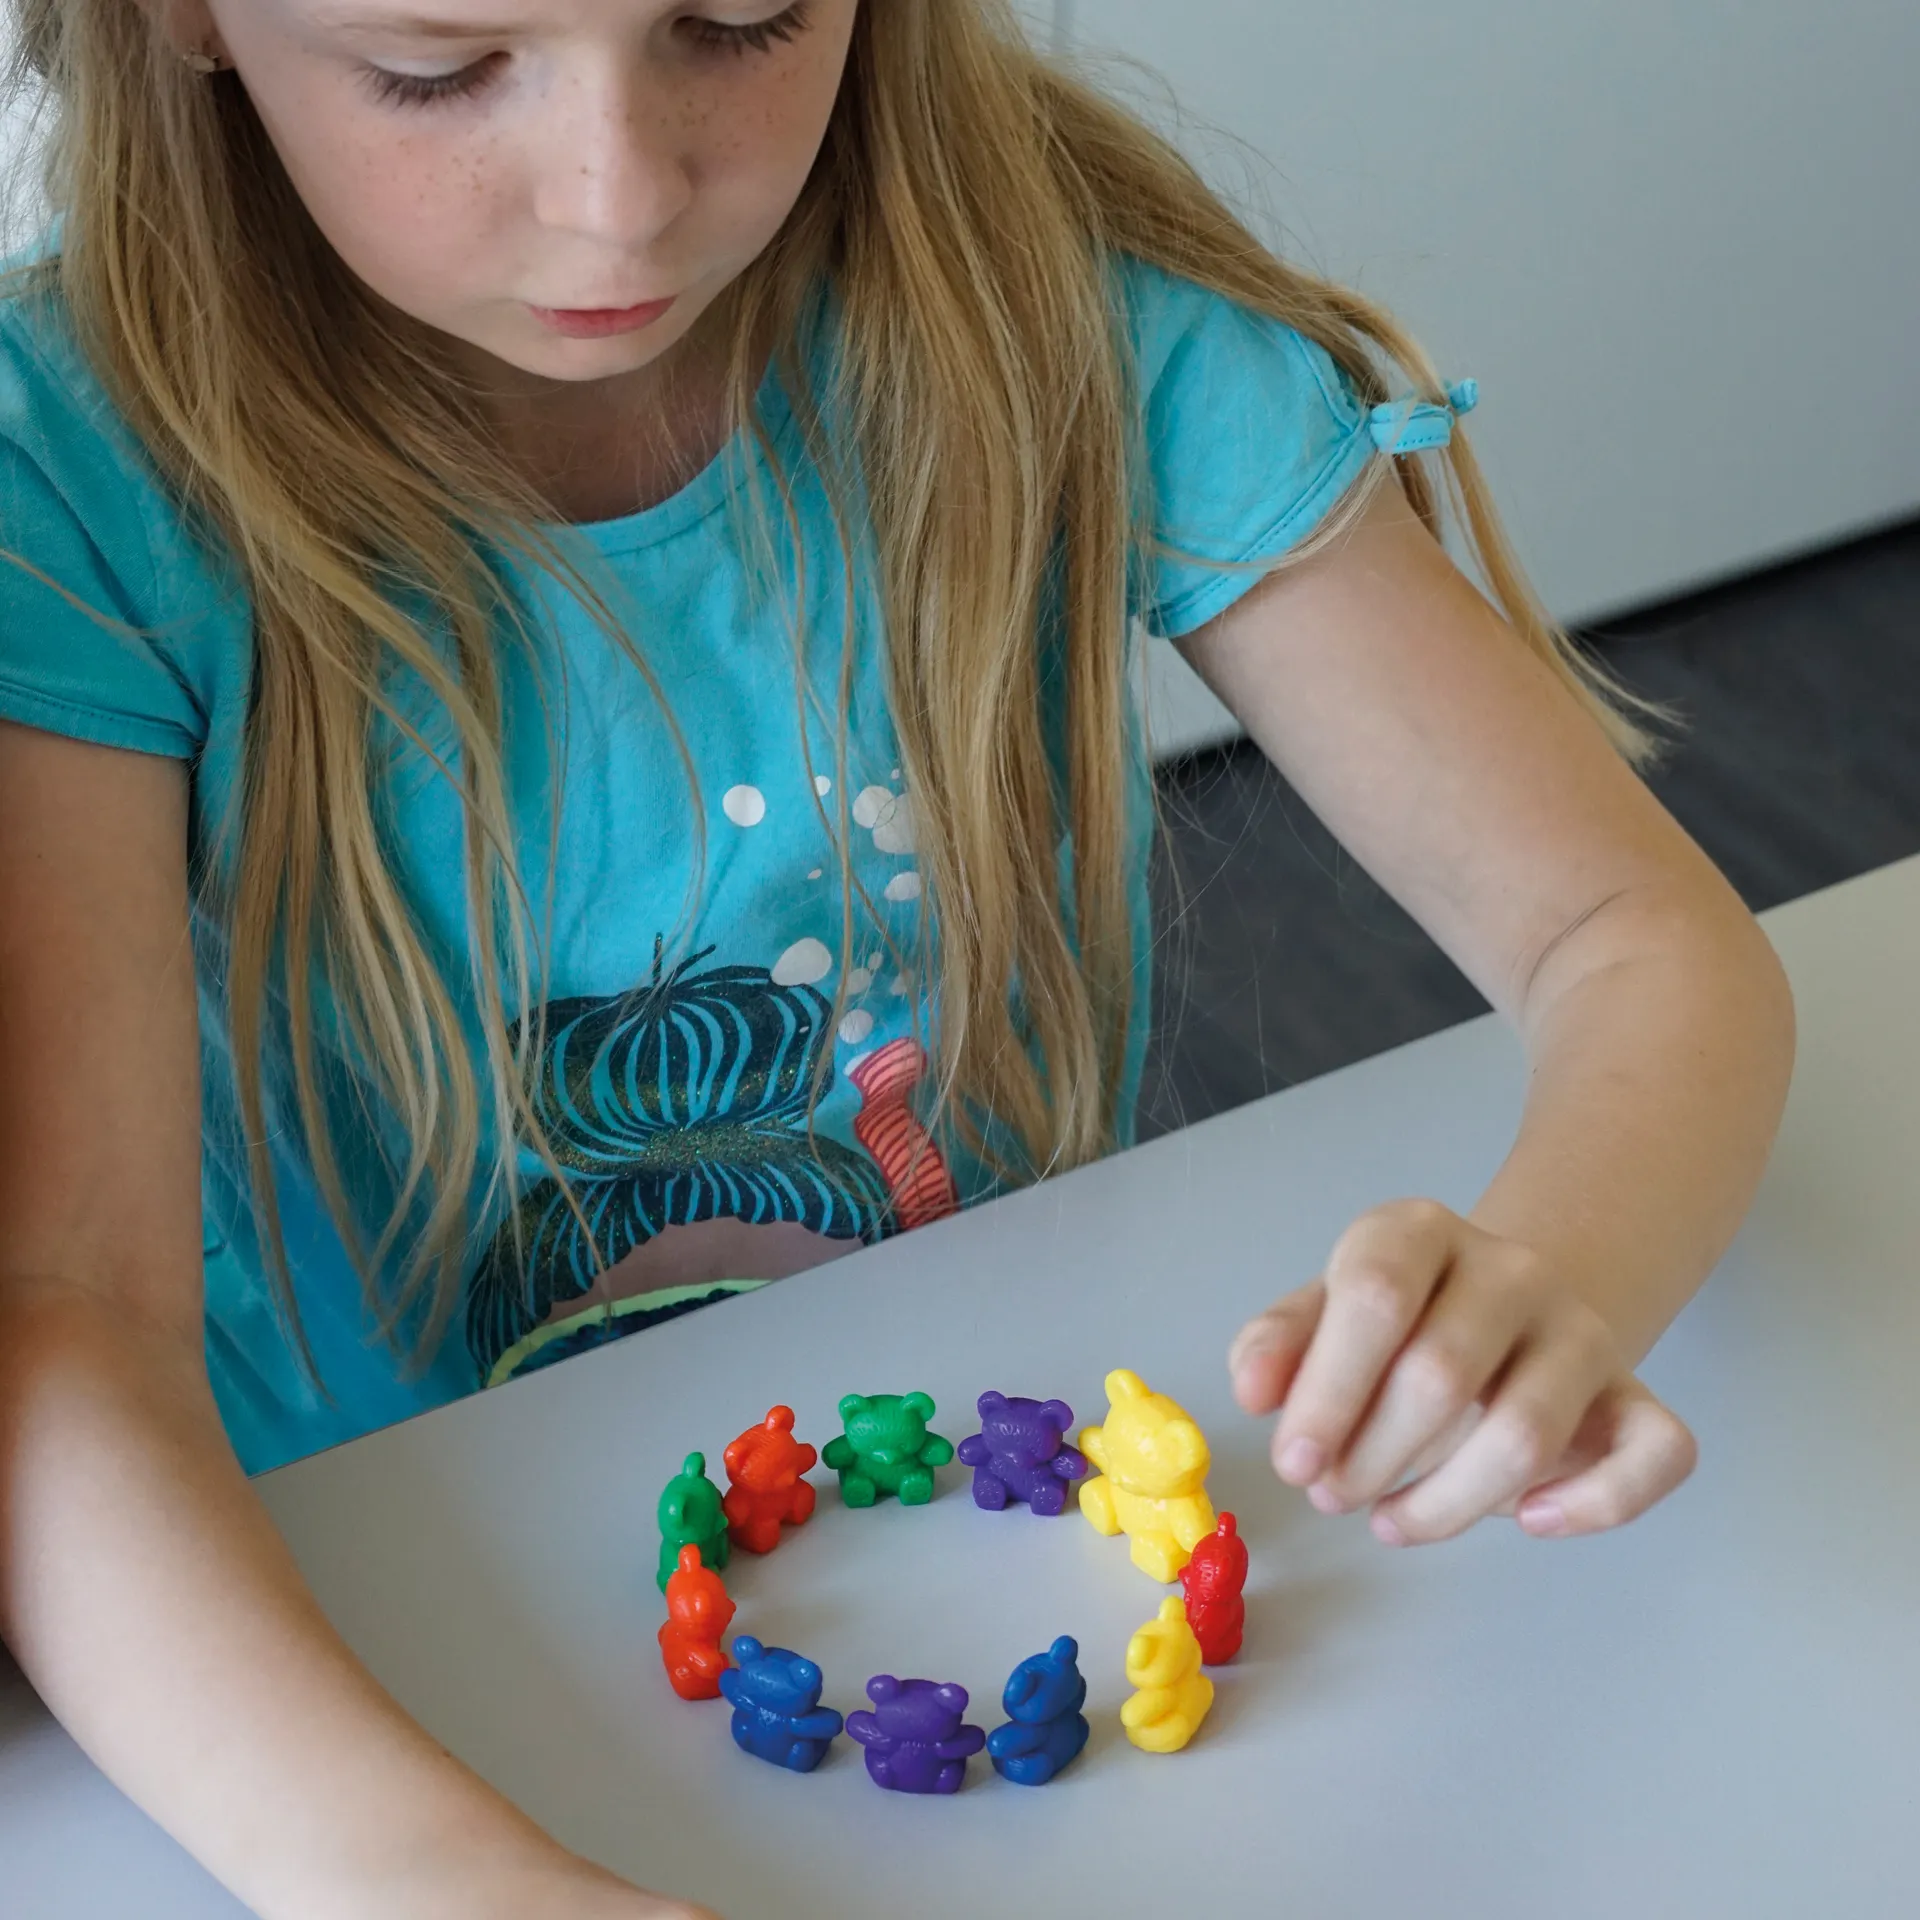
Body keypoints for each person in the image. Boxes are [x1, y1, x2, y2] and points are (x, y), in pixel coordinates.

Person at [0, 2, 1795, 1915]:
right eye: (437, 67)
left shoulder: (1063, 303)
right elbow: (65, 1320)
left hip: (976, 1522)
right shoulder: (72, 476)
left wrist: (1566, 1265)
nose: (621, 203)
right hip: (331, 1607)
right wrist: (421, 1877)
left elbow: (1635, 936)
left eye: (740, 19)